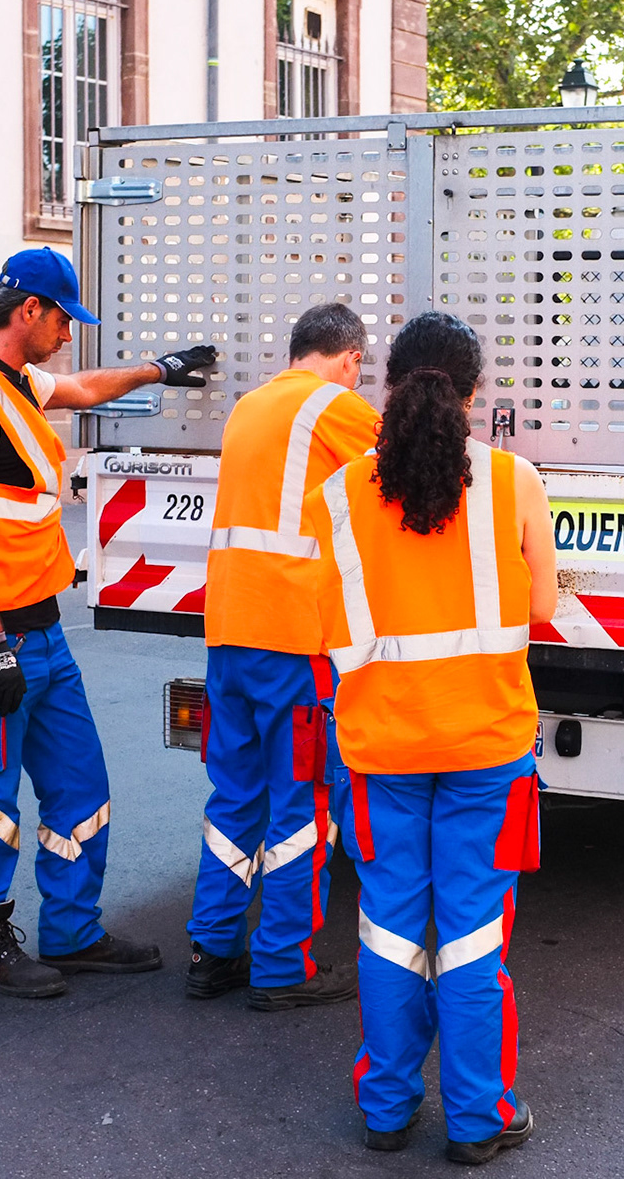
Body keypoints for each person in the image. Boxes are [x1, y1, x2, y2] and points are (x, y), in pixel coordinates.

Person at [0, 247, 217, 998]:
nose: (70, 333)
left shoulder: (14, 382)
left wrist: (158, 370)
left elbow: (78, 388)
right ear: (28, 310)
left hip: (39, 626)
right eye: (65, 318)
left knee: (80, 782)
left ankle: (72, 930)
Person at [303, 311, 558, 1164]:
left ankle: (386, 1109)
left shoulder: (339, 494)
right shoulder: (514, 479)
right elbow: (542, 610)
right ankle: (480, 1119)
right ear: (474, 392)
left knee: (388, 930)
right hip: (487, 747)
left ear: (388, 385)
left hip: (381, 751)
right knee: (475, 935)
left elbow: (324, 620)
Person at [186, 303, 380, 1009]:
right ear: (350, 358)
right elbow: (407, 470)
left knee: (235, 795)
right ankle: (280, 965)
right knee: (301, 803)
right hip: (293, 638)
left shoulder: (251, 405)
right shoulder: (333, 405)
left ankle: (211, 951)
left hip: (229, 632)